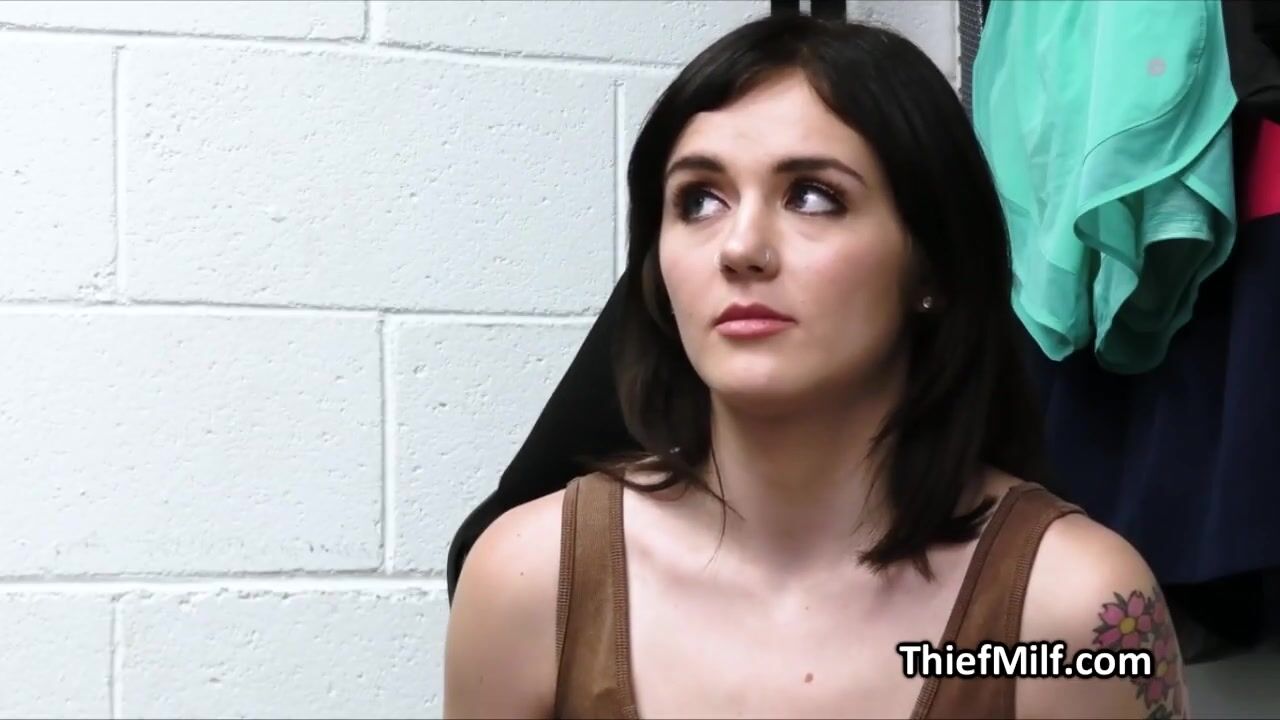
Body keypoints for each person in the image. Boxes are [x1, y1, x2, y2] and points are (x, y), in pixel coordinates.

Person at [443, 13, 1189, 720]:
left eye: (812, 196)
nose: (740, 247)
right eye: (698, 201)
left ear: (933, 264)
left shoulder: (1071, 617)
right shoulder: (530, 582)